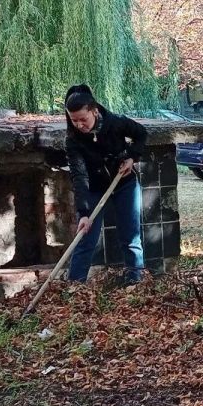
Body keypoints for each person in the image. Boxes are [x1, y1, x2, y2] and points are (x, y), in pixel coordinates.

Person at [64, 84, 148, 285]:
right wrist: (83, 212)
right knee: (86, 238)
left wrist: (131, 157)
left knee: (131, 236)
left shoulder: (115, 122)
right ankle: (75, 286)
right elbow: (79, 176)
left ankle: (135, 280)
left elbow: (141, 134)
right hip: (95, 187)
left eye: (83, 119)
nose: (79, 125)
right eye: (74, 120)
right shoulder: (73, 141)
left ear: (94, 111)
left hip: (124, 182)